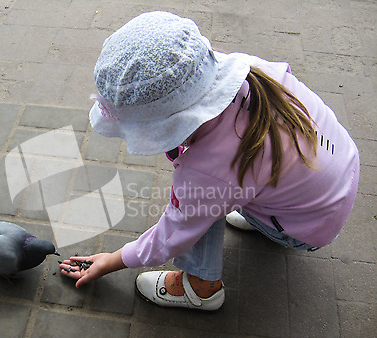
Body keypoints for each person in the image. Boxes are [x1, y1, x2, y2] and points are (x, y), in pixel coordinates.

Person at [59, 11, 360, 311]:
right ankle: (263, 203)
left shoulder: (209, 171)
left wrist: (113, 260)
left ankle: (201, 289)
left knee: (200, 204)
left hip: (306, 227)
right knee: (215, 191)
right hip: (336, 174)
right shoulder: (248, 68)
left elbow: (173, 234)